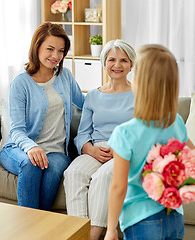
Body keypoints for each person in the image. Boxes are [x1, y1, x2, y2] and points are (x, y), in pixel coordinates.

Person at [104, 45, 195, 240]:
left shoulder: (125, 133)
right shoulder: (176, 122)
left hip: (141, 221)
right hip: (174, 216)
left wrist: (111, 229)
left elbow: (118, 187)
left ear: (137, 83)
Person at [0, 22, 85, 210]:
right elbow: (17, 130)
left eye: (61, 51)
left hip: (56, 152)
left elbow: (86, 105)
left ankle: (39, 227)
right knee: (32, 164)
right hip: (19, 148)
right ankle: (30, 228)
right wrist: (32, 148)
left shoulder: (65, 76)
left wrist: (113, 98)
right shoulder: (20, 83)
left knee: (52, 168)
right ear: (37, 47)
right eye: (50, 49)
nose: (56, 56)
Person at [63, 39, 136, 240]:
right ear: (104, 63)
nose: (117, 65)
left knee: (103, 177)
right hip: (96, 149)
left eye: (124, 60)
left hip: (126, 152)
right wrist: (91, 150)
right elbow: (83, 134)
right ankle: (77, 232)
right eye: (112, 59)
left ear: (131, 65)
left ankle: (92, 236)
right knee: (73, 172)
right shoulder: (93, 95)